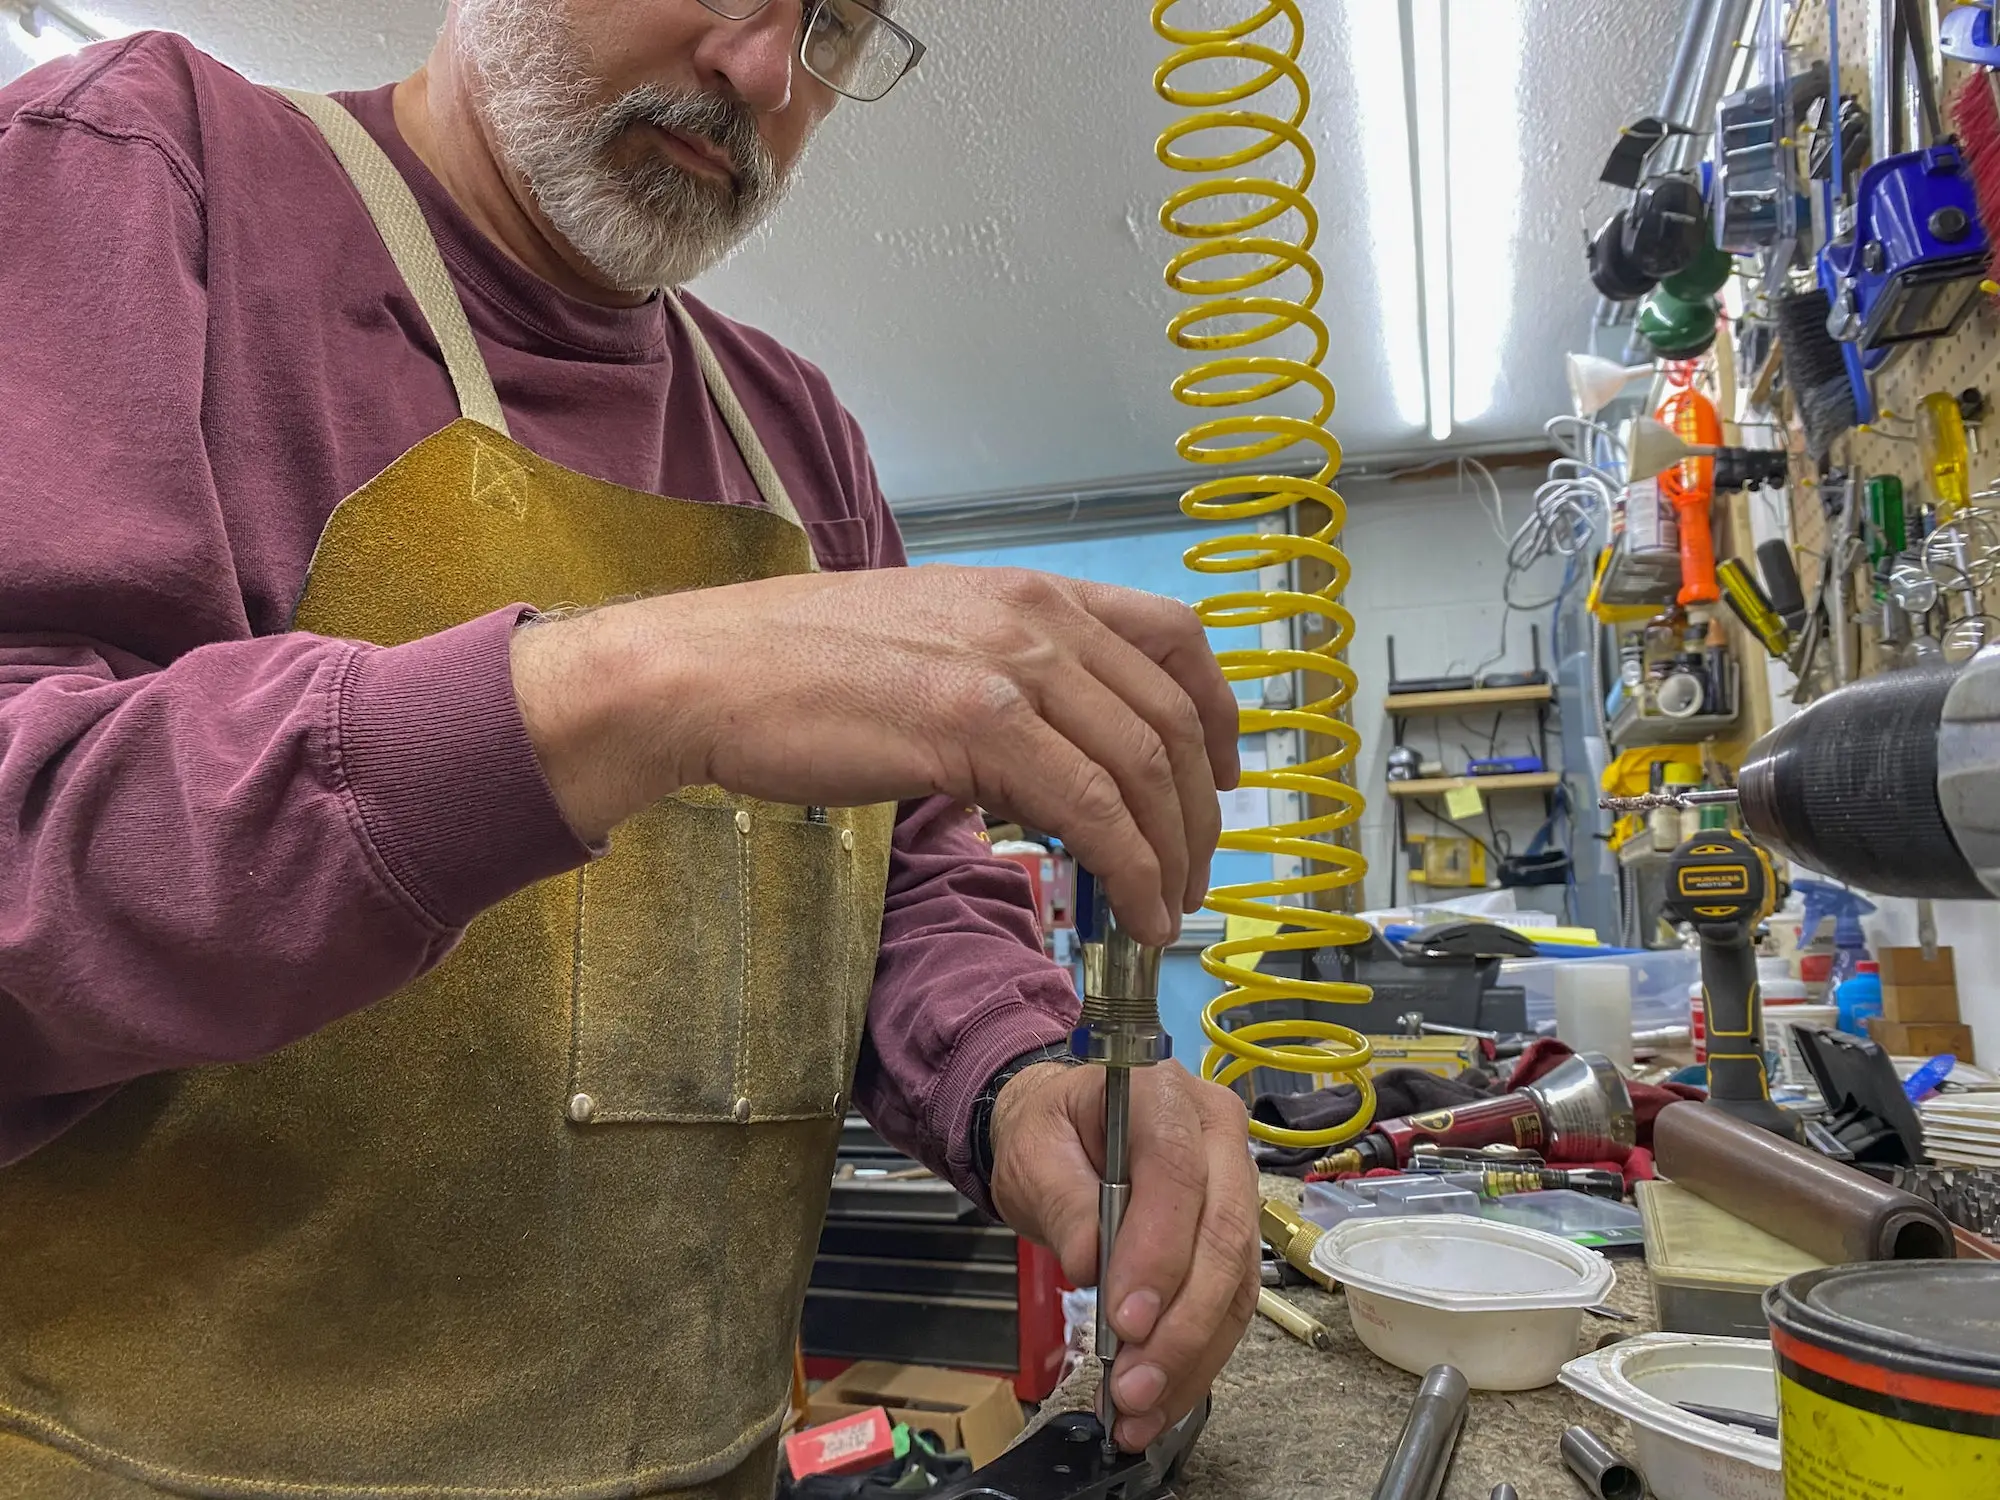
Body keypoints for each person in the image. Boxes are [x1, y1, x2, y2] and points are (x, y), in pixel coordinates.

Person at [0, 2, 1261, 1495]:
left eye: (839, 24)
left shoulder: (797, 438)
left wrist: (1020, 1080)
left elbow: (904, 891)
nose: (766, 74)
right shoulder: (150, 169)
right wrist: (629, 689)